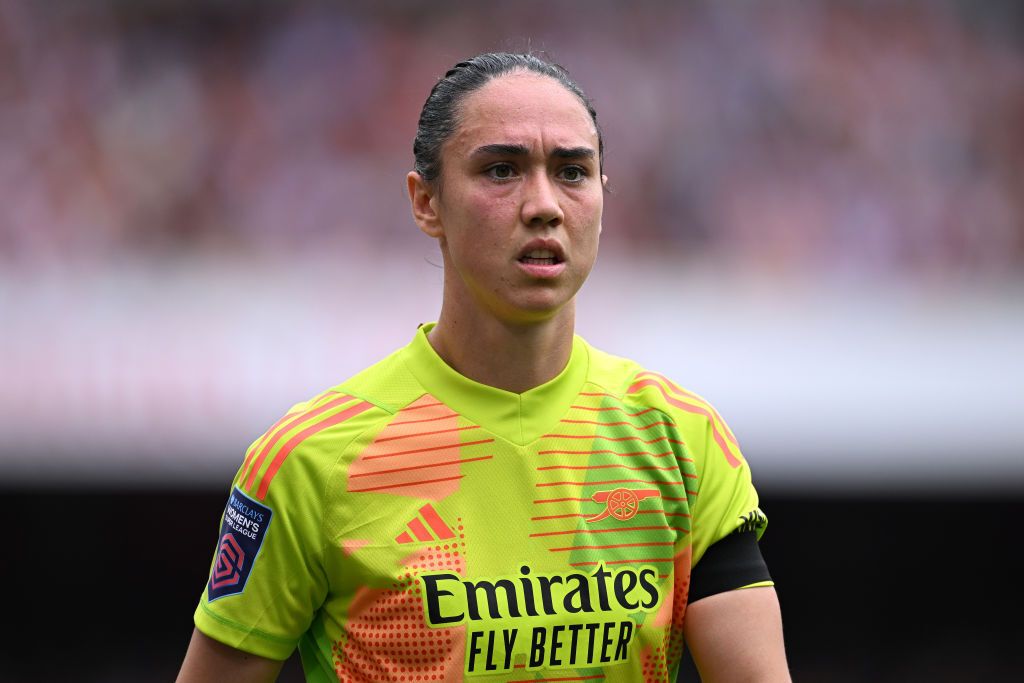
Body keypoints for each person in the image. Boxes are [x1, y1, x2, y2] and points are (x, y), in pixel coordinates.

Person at [178, 52, 790, 682]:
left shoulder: (682, 440)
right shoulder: (312, 461)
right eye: (502, 170)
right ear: (426, 203)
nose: (544, 205)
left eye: (573, 172)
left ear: (603, 197)